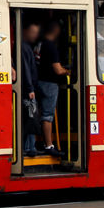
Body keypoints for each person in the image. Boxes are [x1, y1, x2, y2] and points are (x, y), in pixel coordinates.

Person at [37, 20, 70, 159]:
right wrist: (69, 72)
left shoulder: (38, 44)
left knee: (38, 113)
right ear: (55, 31)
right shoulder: (50, 46)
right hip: (49, 83)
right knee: (48, 115)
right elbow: (57, 70)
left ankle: (37, 143)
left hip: (37, 81)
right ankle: (49, 145)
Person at [20, 22, 40, 157]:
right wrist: (29, 88)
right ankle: (29, 147)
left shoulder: (25, 46)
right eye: (32, 32)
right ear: (25, 31)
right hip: (27, 88)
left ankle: (29, 146)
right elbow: (25, 69)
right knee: (29, 116)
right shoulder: (23, 47)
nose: (35, 36)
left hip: (29, 86)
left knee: (29, 115)